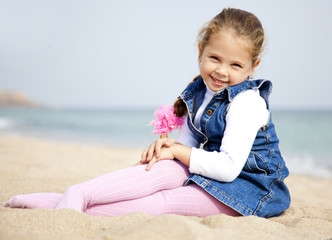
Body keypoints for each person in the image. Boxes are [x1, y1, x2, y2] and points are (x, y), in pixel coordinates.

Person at [3, 8, 290, 218]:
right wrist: (170, 149)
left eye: (236, 65)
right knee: (161, 168)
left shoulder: (247, 103)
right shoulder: (200, 93)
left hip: (247, 189)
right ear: (201, 50)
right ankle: (80, 193)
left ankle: (61, 204)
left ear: (253, 67)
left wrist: (179, 152)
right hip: (211, 171)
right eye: (215, 58)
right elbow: (187, 152)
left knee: (164, 202)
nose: (222, 71)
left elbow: (228, 169)